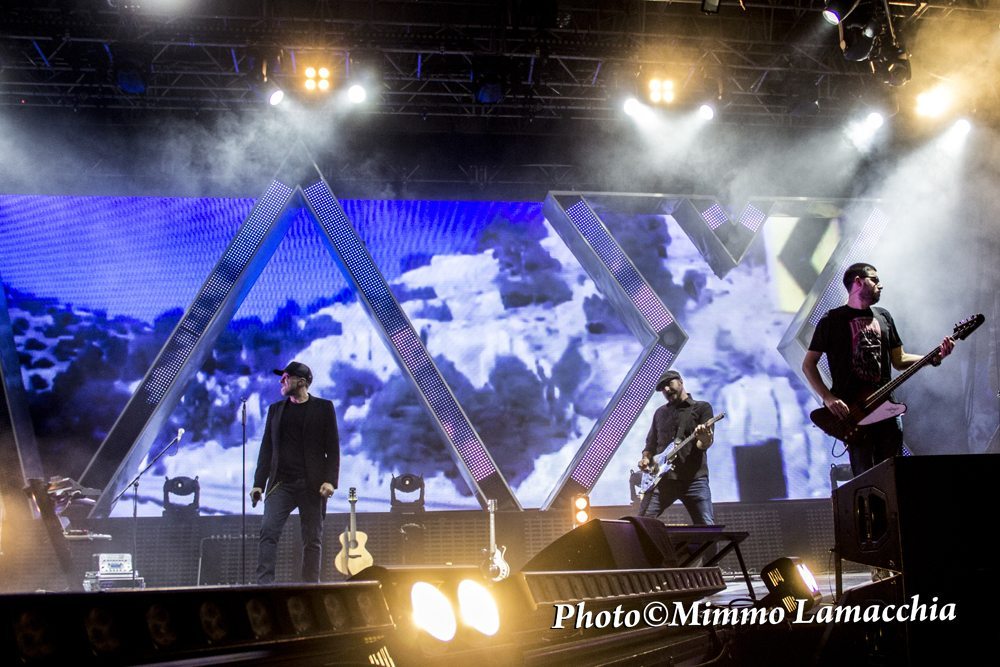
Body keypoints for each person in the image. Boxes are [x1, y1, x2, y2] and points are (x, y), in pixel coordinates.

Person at [802, 262, 953, 476]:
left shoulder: (883, 316)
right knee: (866, 478)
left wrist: (934, 357)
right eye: (874, 280)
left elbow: (899, 360)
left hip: (886, 408)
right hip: (855, 414)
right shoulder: (831, 320)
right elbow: (808, 364)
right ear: (858, 282)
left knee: (894, 475)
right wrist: (828, 397)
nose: (880, 285)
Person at [251, 361, 340, 584]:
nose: (281, 381)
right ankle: (264, 585)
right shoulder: (275, 410)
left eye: (285, 378)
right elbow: (266, 448)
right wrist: (258, 483)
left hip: (312, 485)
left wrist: (330, 481)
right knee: (268, 532)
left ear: (301, 382)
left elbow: (333, 447)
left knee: (312, 539)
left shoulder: (323, 408)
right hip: (281, 484)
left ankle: (310, 588)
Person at [638, 369, 716, 525]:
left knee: (707, 526)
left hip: (694, 479)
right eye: (662, 388)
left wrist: (704, 438)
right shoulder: (660, 413)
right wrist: (645, 459)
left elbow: (704, 444)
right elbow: (650, 444)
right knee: (642, 523)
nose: (666, 389)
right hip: (664, 480)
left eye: (669, 384)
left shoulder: (702, 408)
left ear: (681, 381)